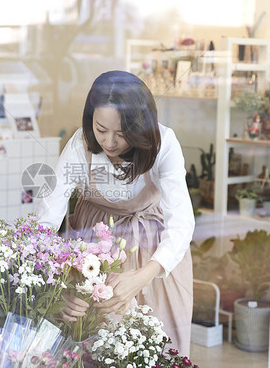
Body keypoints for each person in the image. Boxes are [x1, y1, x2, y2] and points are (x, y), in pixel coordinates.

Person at [34, 70, 195, 356]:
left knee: (150, 346)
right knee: (92, 345)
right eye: (100, 129)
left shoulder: (164, 144)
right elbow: (47, 217)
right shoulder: (80, 144)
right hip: (92, 249)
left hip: (152, 250)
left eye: (121, 134)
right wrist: (61, 284)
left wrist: (142, 275)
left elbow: (182, 223)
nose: (109, 142)